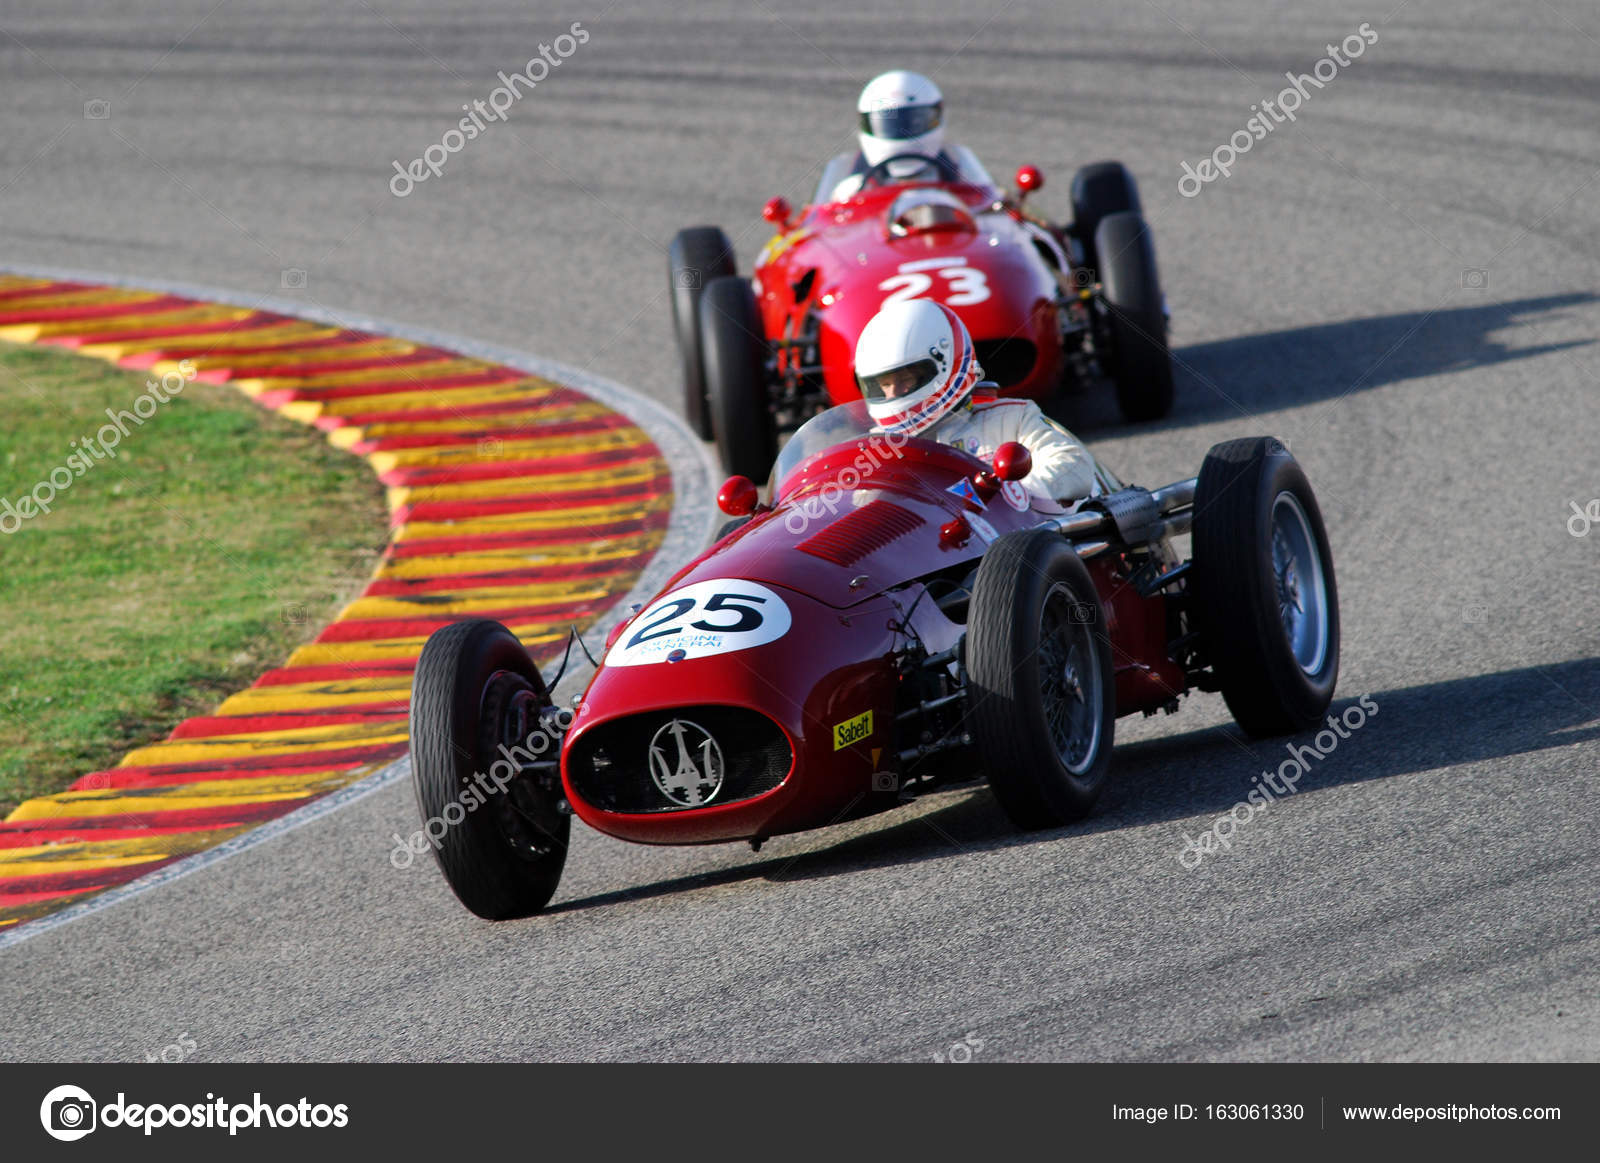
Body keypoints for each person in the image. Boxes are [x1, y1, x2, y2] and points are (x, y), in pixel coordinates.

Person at [853, 299, 1098, 504]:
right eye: (883, 385)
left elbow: (1074, 467)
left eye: (905, 379)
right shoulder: (872, 449)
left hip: (1008, 547)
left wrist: (1005, 495)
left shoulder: (1011, 419)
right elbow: (849, 509)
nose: (893, 393)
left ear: (945, 365)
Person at [822, 71, 995, 203]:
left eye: (913, 121)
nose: (901, 129)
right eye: (890, 124)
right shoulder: (851, 190)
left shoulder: (962, 176)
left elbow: (990, 212)